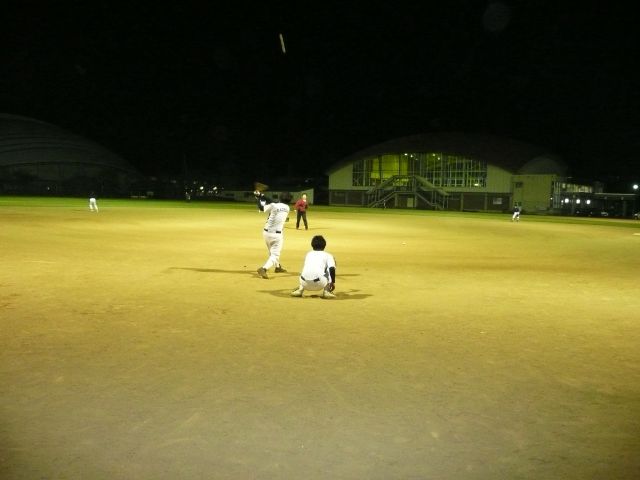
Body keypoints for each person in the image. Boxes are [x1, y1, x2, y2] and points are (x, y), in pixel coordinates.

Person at [255, 190, 292, 279]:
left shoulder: (273, 205)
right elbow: (274, 202)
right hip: (277, 235)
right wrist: (261, 195)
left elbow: (261, 208)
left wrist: (258, 198)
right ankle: (264, 269)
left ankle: (277, 267)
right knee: (275, 255)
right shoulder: (287, 208)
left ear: (280, 198)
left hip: (266, 233)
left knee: (272, 252)